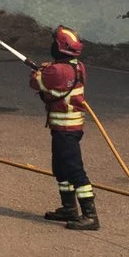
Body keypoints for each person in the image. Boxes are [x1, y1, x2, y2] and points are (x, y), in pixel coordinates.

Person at [33, 26, 98, 230]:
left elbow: (36, 83)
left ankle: (90, 215)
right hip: (68, 128)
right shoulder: (77, 67)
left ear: (60, 47)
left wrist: (39, 72)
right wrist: (47, 69)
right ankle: (69, 208)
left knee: (74, 170)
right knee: (60, 168)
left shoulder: (56, 70)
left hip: (65, 130)